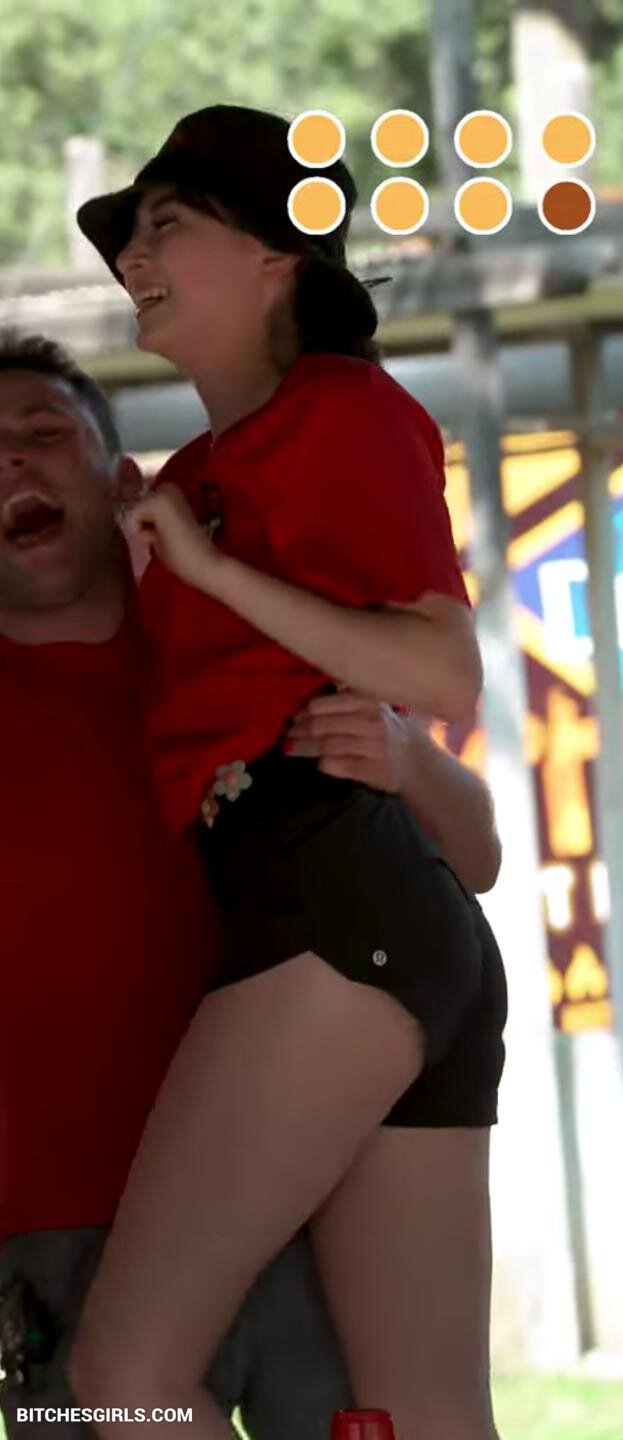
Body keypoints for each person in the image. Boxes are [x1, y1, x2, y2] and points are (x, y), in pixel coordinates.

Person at [71, 106, 507, 1439]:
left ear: (279, 257)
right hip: (357, 916)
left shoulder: (343, 408)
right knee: (423, 1416)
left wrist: (207, 571)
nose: (132, 259)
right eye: (129, 238)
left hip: (332, 903)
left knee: (122, 1386)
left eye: (168, 225)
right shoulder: (200, 472)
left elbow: (443, 671)